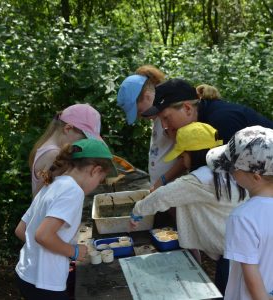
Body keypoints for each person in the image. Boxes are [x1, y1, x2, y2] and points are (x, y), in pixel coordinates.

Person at [129, 122, 246, 296]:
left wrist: (137, 211)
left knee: (229, 293)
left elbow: (161, 196)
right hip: (247, 245)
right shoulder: (230, 170)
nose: (181, 161)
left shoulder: (197, 181)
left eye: (182, 156)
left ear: (194, 154)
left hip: (233, 255)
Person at [15, 139, 117, 300]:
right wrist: (73, 251)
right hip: (46, 284)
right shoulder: (73, 191)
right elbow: (43, 235)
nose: (98, 185)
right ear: (95, 170)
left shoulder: (52, 184)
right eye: (101, 180)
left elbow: (21, 230)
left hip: (25, 275)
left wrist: (56, 250)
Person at [206, 125, 273, 300]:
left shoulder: (243, 217)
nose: (231, 174)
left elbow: (252, 280)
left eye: (232, 168)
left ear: (256, 177)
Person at [142, 78, 273, 144]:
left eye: (166, 118)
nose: (164, 126)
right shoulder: (203, 119)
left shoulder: (221, 121)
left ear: (187, 108)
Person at [117, 65, 180, 190]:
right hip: (161, 189)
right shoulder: (156, 118)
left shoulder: (170, 117)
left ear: (148, 96)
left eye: (139, 111)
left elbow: (186, 158)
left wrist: (163, 180)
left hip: (174, 188)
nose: (140, 117)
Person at [29, 103, 102, 197]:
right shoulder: (54, 155)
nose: (84, 145)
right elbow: (41, 197)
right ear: (67, 129)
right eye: (83, 140)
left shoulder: (46, 147)